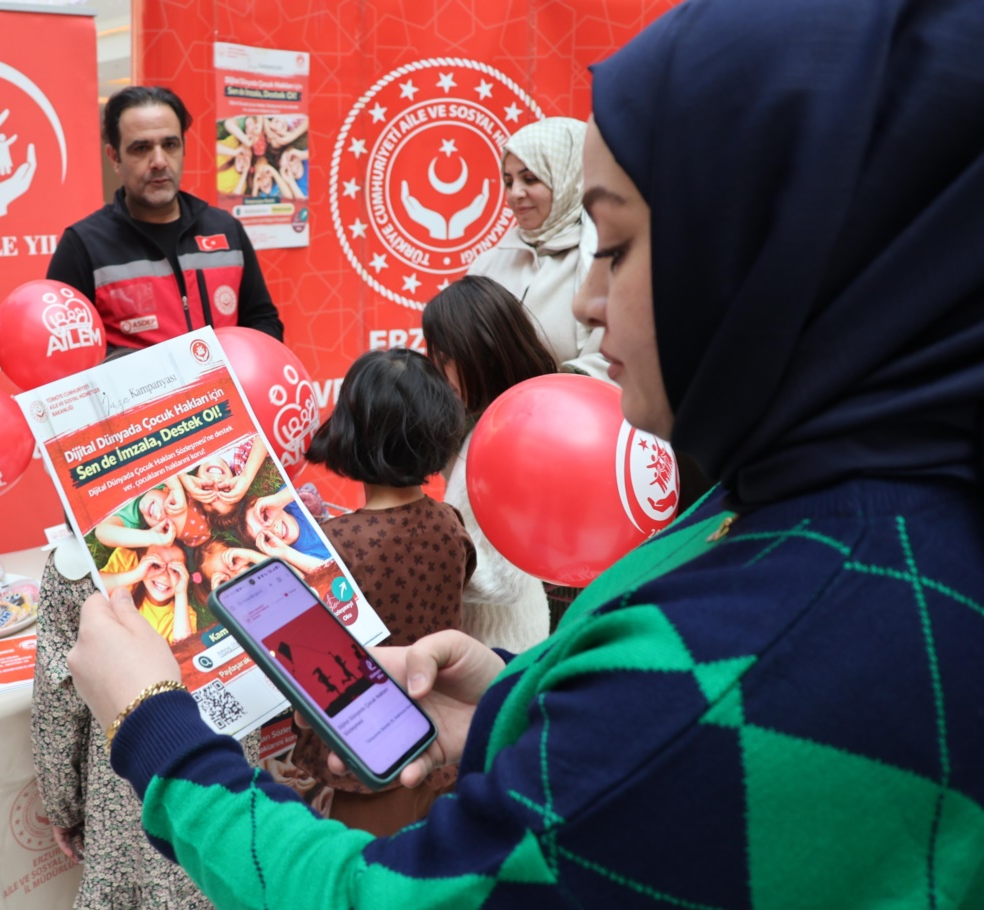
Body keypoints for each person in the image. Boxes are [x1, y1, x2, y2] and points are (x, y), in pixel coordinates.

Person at [61, 0, 984, 906]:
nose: (584, 302)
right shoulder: (823, 498)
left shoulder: (759, 644)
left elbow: (384, 898)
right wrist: (514, 705)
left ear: (776, 253)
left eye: (614, 245)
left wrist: (155, 727)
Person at [295, 348, 476, 835]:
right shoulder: (450, 524)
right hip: (441, 745)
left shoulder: (334, 546)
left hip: (364, 758)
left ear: (350, 431)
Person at [30, 554, 260, 910]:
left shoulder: (73, 567)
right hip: (228, 769)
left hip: (126, 785)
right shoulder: (223, 557)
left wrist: (64, 807)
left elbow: (58, 705)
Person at [45, 86, 283, 352]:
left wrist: (241, 361)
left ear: (183, 148)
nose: (159, 161)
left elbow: (263, 320)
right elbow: (67, 352)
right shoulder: (83, 246)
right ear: (114, 158)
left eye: (170, 145)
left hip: (227, 380)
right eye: (141, 148)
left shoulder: (226, 229)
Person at [423, 275, 558, 648]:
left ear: (482, 355)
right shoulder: (489, 426)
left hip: (500, 650)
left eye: (445, 359)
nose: (438, 373)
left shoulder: (511, 443)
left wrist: (416, 553)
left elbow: (505, 580)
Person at [467, 116, 607, 378]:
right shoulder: (490, 262)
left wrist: (545, 391)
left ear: (571, 178)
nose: (515, 194)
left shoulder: (605, 258)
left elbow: (618, 360)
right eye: (509, 181)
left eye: (530, 179)